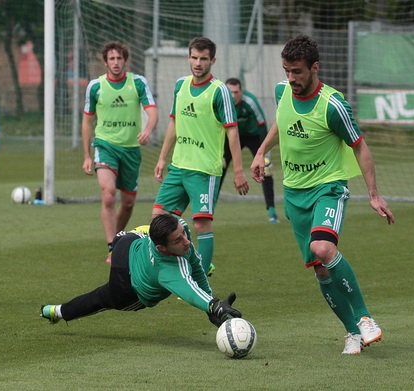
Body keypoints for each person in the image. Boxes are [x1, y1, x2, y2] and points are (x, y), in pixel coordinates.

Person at [251, 34, 395, 355]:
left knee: (323, 247)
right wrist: (261, 152)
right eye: (287, 70)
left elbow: (360, 147)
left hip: (328, 188)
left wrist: (373, 194)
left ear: (315, 67)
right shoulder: (282, 92)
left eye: (297, 72)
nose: (291, 78)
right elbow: (281, 122)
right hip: (294, 194)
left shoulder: (333, 105)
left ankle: (364, 317)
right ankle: (352, 333)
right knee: (319, 266)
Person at [152, 37, 249, 276]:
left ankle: (200, 279)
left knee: (200, 224)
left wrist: (238, 170)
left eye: (203, 58)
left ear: (212, 61)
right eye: (194, 57)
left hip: (205, 170)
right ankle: (191, 261)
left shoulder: (220, 91)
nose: (198, 63)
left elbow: (232, 130)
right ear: (188, 57)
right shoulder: (180, 85)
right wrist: (162, 158)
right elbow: (174, 123)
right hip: (179, 166)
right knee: (159, 218)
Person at [40, 214, 242, 328]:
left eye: (183, 235)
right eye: (177, 240)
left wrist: (210, 304)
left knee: (127, 234)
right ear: (162, 248)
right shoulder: (171, 270)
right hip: (127, 288)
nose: (186, 241)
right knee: (98, 299)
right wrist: (213, 305)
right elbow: (189, 289)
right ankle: (57, 311)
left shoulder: (179, 225)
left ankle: (119, 239)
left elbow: (197, 267)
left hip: (126, 244)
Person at [82, 41, 158, 263]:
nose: (116, 63)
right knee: (108, 194)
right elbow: (87, 122)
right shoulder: (95, 86)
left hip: (131, 150)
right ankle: (112, 246)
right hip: (105, 146)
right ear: (105, 62)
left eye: (119, 58)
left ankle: (118, 238)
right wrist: (87, 155)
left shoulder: (138, 83)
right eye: (111, 59)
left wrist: (148, 130)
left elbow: (153, 112)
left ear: (125, 60)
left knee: (128, 203)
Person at [219, 78, 278, 224]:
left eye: (236, 92)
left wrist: (264, 152)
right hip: (232, 137)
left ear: (241, 91)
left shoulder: (250, 102)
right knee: (219, 167)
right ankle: (206, 210)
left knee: (265, 168)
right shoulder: (221, 101)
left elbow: (262, 125)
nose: (233, 96)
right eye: (230, 92)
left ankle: (272, 211)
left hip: (254, 136)